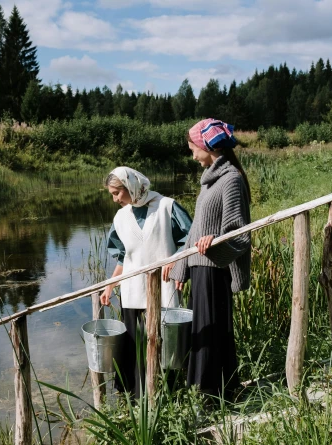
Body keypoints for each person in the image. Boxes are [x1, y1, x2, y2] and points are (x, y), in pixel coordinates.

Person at [170, 118, 252, 398]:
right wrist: (181, 266)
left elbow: (239, 234)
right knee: (202, 332)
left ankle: (210, 395)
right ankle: (210, 393)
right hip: (201, 268)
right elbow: (195, 230)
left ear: (207, 146)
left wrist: (214, 243)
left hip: (215, 269)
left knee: (213, 332)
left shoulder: (230, 181)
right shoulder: (209, 182)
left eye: (193, 147)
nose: (192, 154)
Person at [100, 166, 192, 397]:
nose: (114, 199)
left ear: (131, 186)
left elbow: (190, 239)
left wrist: (177, 260)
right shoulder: (121, 218)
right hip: (132, 293)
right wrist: (110, 285)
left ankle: (169, 395)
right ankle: (138, 398)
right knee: (136, 347)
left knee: (166, 345)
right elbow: (124, 257)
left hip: (164, 290)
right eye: (112, 194)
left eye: (117, 193)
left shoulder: (167, 207)